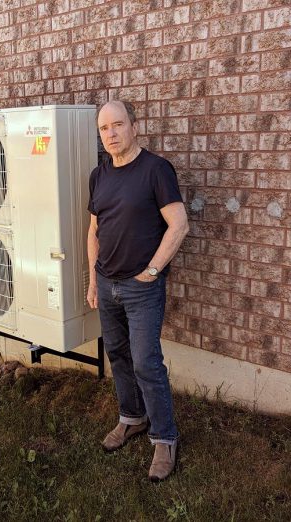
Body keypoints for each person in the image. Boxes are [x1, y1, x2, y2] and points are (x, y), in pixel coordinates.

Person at [87, 100, 189, 481]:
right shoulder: (98, 176)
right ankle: (132, 417)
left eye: (117, 125)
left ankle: (165, 437)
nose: (110, 134)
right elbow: (93, 232)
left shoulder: (156, 170)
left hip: (141, 288)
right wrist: (93, 280)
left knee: (146, 361)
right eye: (104, 128)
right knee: (118, 353)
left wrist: (152, 270)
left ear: (134, 126)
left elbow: (178, 225)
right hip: (107, 282)